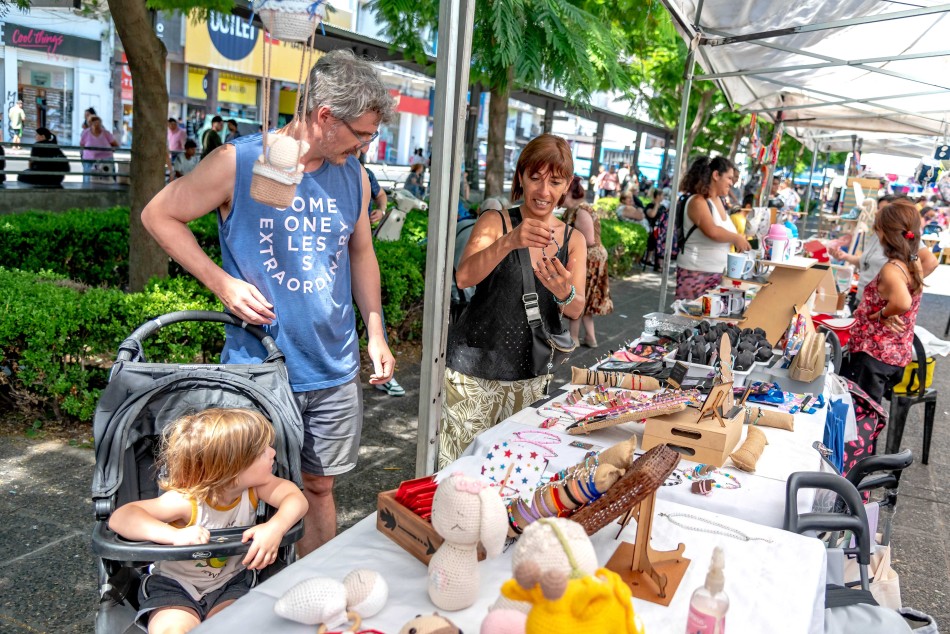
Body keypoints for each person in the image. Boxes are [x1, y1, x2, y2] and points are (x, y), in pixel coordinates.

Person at [141, 49, 396, 556]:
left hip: (334, 366)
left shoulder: (354, 176)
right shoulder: (237, 162)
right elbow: (158, 215)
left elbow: (362, 253)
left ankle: (315, 593)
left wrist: (376, 332)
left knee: (319, 487)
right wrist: (222, 283)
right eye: (362, 133)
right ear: (325, 117)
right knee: (240, 489)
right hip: (260, 367)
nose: (367, 144)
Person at [440, 133, 587, 467]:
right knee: (458, 469)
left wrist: (564, 292)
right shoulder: (496, 220)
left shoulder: (572, 239)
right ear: (521, 176)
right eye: (535, 178)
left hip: (530, 378)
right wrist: (508, 242)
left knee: (512, 472)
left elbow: (576, 308)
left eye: (555, 181)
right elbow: (464, 276)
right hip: (473, 373)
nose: (543, 191)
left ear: (566, 187)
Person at [108, 408, 308, 633]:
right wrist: (173, 535)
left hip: (231, 583)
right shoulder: (187, 500)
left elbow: (296, 498)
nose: (273, 453)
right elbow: (122, 517)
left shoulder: (253, 489)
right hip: (175, 587)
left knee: (229, 626)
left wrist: (275, 527)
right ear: (233, 467)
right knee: (172, 629)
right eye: (263, 451)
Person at [842, 199, 927, 406]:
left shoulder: (892, 268)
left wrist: (882, 314)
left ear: (883, 233)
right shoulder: (913, 261)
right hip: (894, 352)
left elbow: (903, 302)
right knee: (870, 412)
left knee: (860, 414)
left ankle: (860, 440)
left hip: (873, 354)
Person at [829, 196, 937, 310]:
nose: (876, 213)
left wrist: (901, 290)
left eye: (882, 209)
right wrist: (845, 256)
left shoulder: (894, 263)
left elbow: (931, 262)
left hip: (877, 308)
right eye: (878, 208)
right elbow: (866, 263)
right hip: (865, 301)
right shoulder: (879, 236)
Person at [674, 156, 751, 300]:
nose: (731, 183)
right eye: (729, 178)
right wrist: (735, 238)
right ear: (716, 175)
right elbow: (712, 231)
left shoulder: (718, 201)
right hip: (696, 274)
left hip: (717, 273)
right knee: (689, 320)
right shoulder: (697, 201)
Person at [566, 201, 612, 348]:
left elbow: (589, 240)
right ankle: (590, 337)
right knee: (585, 298)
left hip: (589, 258)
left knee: (579, 296)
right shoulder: (579, 208)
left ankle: (574, 337)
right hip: (593, 257)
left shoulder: (581, 210)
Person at [79, 115, 119, 183]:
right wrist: (83, 154)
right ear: (90, 124)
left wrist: (110, 151)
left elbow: (115, 145)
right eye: (95, 123)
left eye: (99, 123)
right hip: (90, 160)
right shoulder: (86, 133)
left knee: (106, 181)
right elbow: (82, 145)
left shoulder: (106, 133)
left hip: (105, 160)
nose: (97, 126)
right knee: (89, 180)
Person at [642, 188, 666, 271]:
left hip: (661, 230)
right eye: (662, 195)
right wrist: (656, 204)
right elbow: (652, 215)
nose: (663, 197)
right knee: (654, 237)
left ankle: (658, 263)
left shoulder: (663, 207)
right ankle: (652, 261)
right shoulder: (650, 206)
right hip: (652, 228)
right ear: (658, 196)